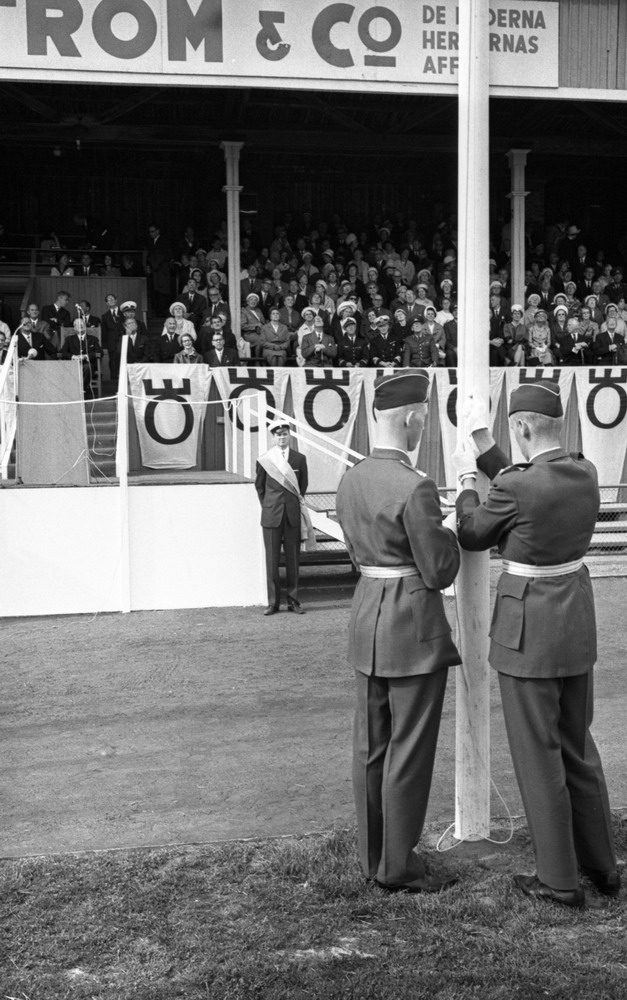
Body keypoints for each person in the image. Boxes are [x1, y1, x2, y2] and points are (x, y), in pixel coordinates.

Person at [453, 382, 620, 909]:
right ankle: (602, 866)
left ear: (522, 427)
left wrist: (466, 482)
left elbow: (472, 531)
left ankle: (559, 880)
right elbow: (528, 480)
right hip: (574, 622)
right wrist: (484, 443)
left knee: (537, 757)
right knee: (577, 748)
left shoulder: (517, 487)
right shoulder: (584, 472)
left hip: (528, 630)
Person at [335, 371, 461, 894]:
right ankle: (399, 866)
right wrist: (449, 533)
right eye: (424, 417)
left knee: (370, 746)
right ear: (410, 418)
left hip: (368, 615)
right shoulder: (415, 486)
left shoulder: (351, 478)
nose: (423, 425)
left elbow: (355, 552)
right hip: (411, 626)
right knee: (408, 748)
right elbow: (439, 571)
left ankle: (372, 858)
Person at [255, 419, 310, 616]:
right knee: (272, 560)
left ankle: (293, 601)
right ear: (273, 437)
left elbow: (302, 486)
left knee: (293, 560)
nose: (282, 438)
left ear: (289, 435)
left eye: (285, 434)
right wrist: (270, 505)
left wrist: (291, 504)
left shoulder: (299, 458)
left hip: (292, 515)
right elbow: (260, 487)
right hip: (272, 515)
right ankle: (273, 603)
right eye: (278, 435)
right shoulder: (265, 459)